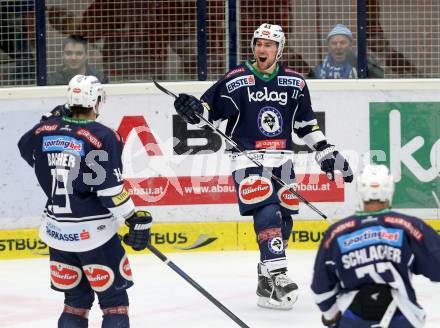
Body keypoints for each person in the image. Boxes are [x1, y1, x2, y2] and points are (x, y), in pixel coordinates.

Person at [172, 23, 353, 310]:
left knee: (283, 220)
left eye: (268, 45)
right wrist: (192, 110)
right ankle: (279, 276)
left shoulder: (295, 83)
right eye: (258, 43)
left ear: (279, 50)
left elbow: (305, 124)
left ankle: (265, 280)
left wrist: (325, 151)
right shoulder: (235, 79)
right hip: (245, 157)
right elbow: (208, 112)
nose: (261, 49)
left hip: (282, 158)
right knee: (266, 210)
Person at [18, 75, 152, 327]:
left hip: (57, 232)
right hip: (95, 235)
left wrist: (49, 120)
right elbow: (110, 191)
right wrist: (134, 217)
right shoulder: (104, 136)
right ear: (97, 102)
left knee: (75, 304)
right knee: (114, 304)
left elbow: (25, 148)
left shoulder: (42, 130)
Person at [311, 164, 440, 327]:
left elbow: (320, 287)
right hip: (401, 317)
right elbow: (437, 267)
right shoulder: (410, 227)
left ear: (359, 191)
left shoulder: (336, 232)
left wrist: (330, 314)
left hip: (352, 318)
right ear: (390, 189)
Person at [308, 24, 384, 79]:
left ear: (350, 45)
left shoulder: (362, 65)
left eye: (343, 42)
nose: (338, 47)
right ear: (329, 47)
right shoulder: (319, 70)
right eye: (334, 43)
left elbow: (380, 78)